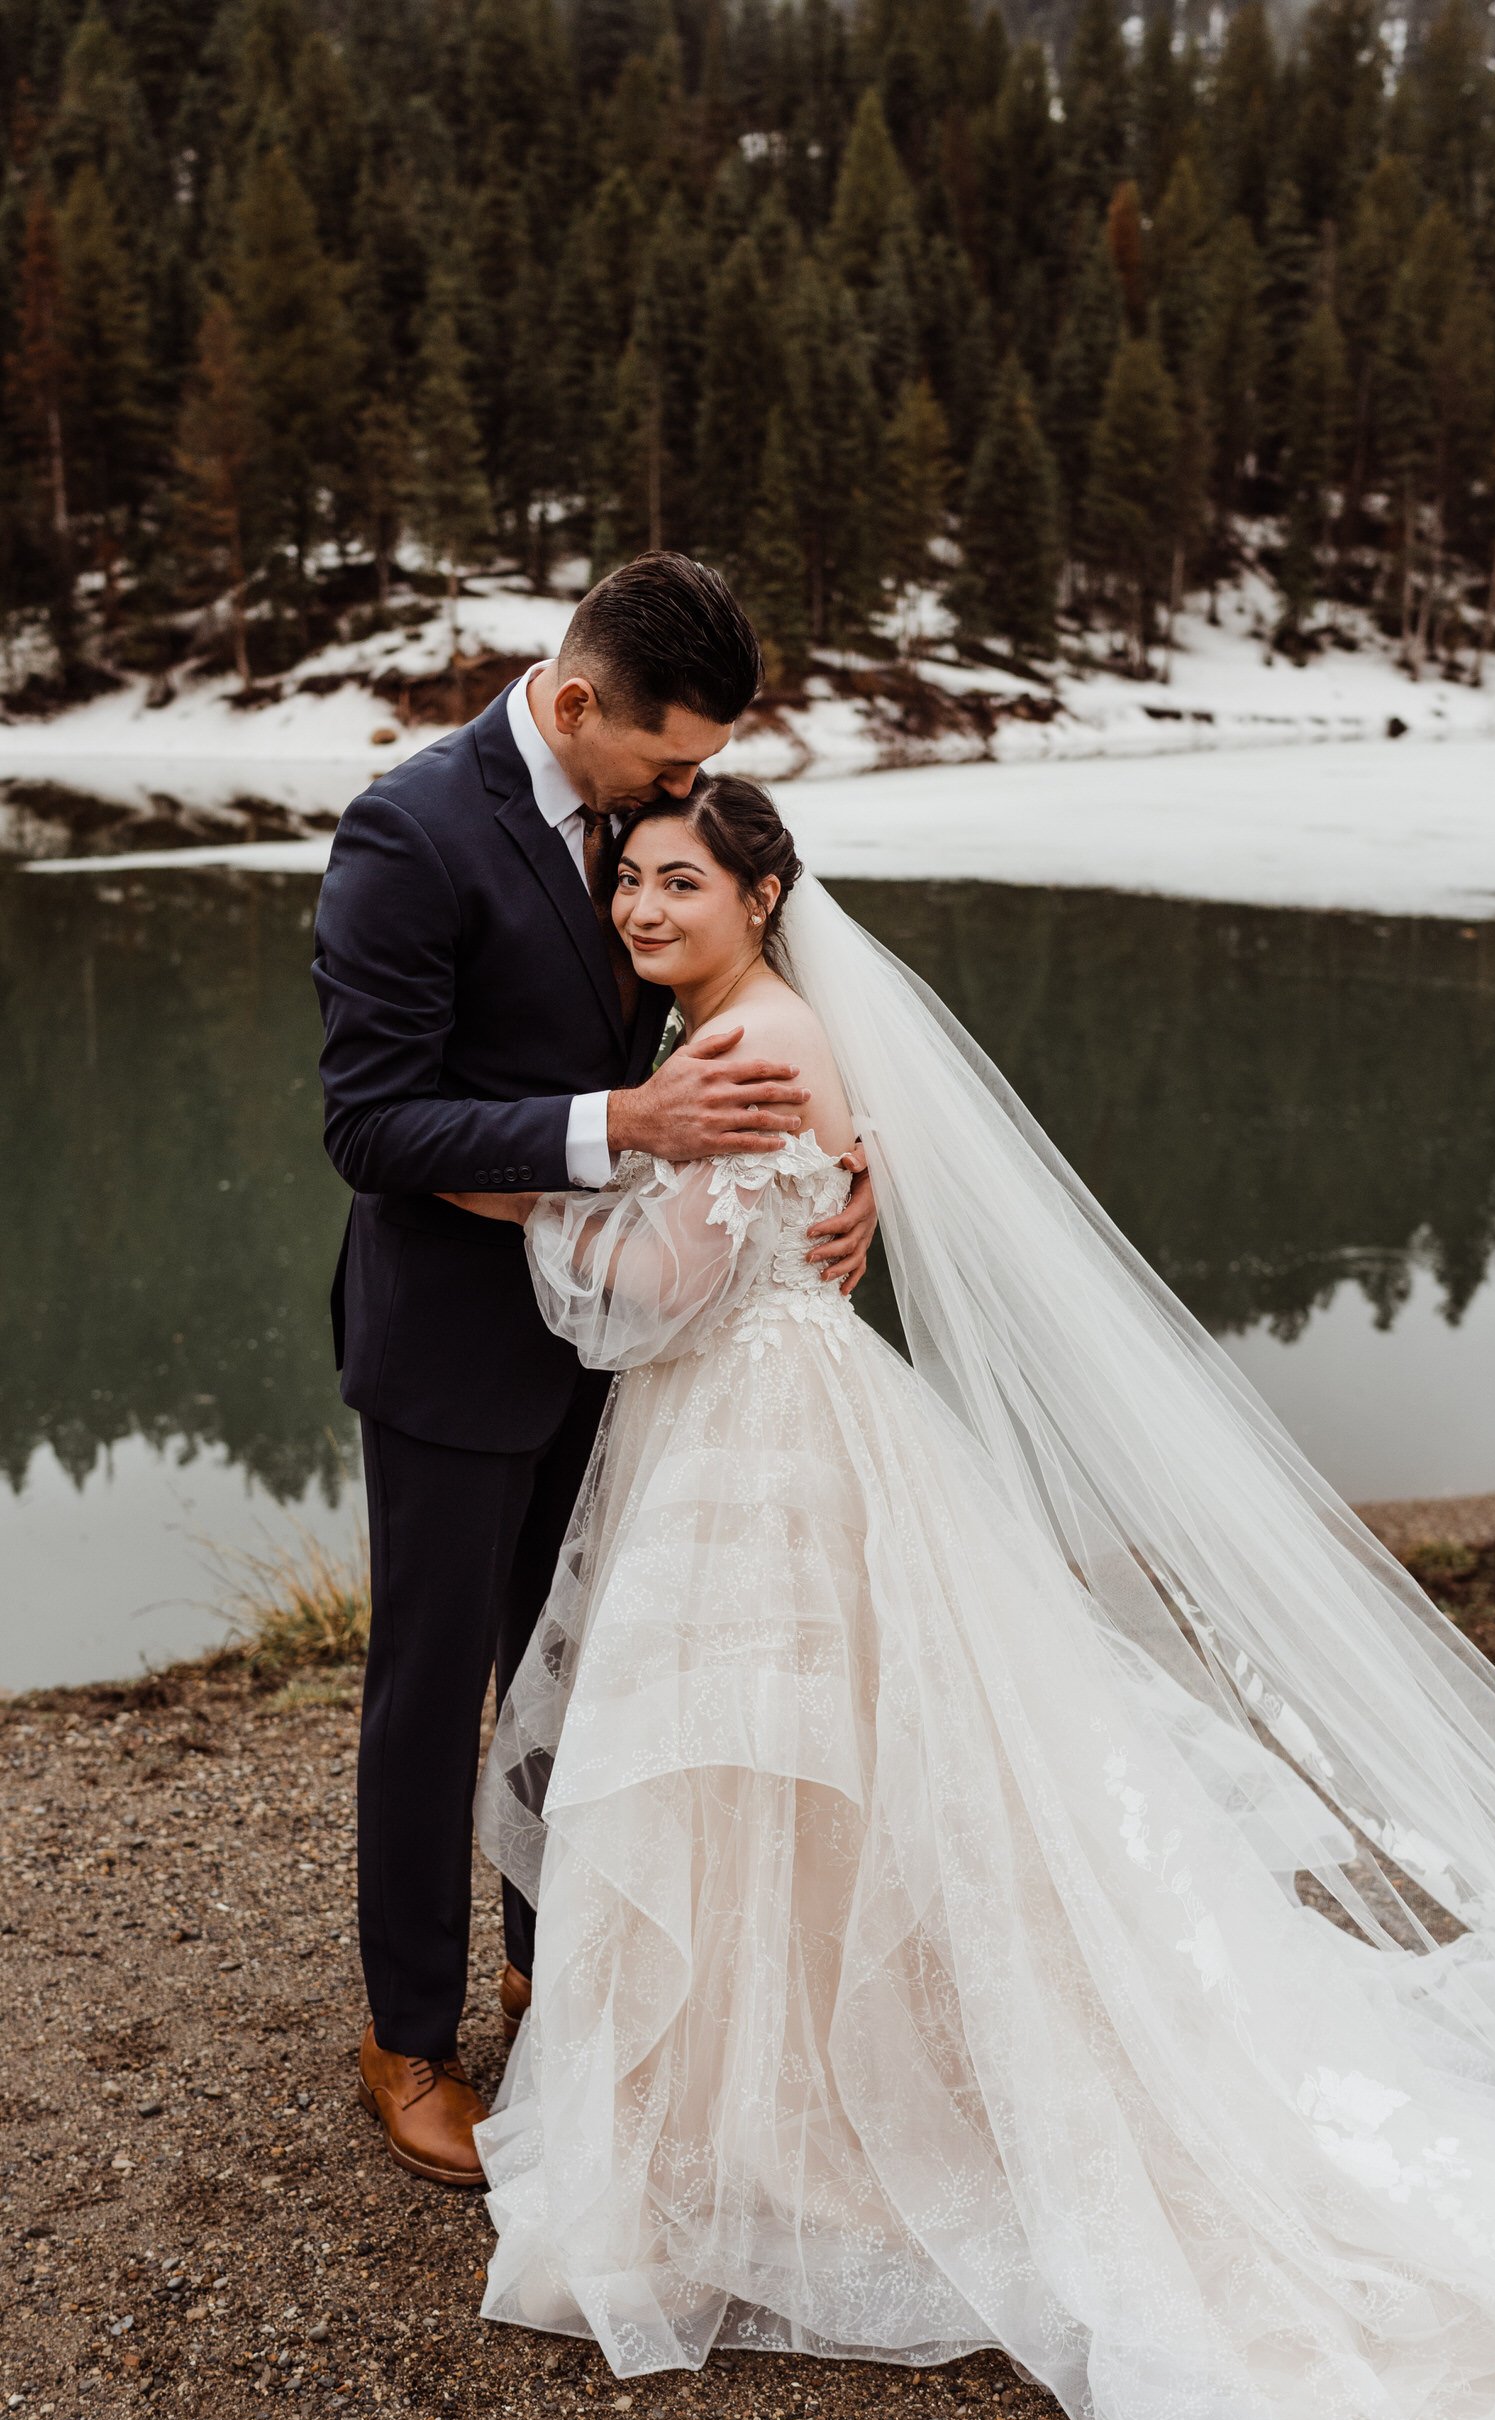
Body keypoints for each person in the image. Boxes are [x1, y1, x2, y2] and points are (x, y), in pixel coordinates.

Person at [471, 773, 1495, 2420]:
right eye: (630, 884)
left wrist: (528, 1186)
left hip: (759, 1439)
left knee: (759, 1767)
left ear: (761, 893)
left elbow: (647, 1295)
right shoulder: (757, 1026)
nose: (644, 909)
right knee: (787, 1779)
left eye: (682, 881)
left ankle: (754, 2138)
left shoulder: (744, 1046)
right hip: (775, 1425)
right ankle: (761, 2110)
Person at [311, 556, 876, 2186]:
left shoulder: (651, 839)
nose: (688, 794)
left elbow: (742, 1006)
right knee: (435, 1699)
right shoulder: (408, 833)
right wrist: (618, 1129)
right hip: (457, 1345)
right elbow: (369, 1120)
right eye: (671, 763)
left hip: (647, 1345)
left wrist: (848, 1162)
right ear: (574, 705)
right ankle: (409, 2039)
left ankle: (548, 1968)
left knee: (594, 1666)